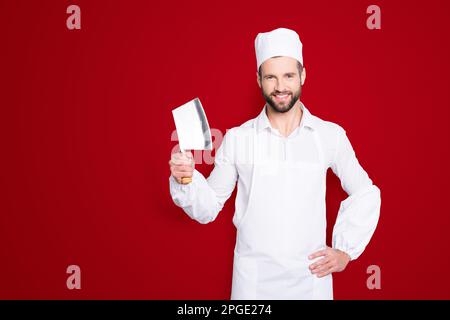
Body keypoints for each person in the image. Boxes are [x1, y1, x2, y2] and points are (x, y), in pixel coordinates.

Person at [168, 27, 381, 299]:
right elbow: (208, 208)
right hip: (254, 284)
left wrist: (345, 252)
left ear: (303, 75)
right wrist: (185, 178)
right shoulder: (237, 138)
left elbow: (366, 191)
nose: (280, 87)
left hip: (311, 280)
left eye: (289, 75)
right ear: (258, 80)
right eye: (271, 77)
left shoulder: (330, 136)